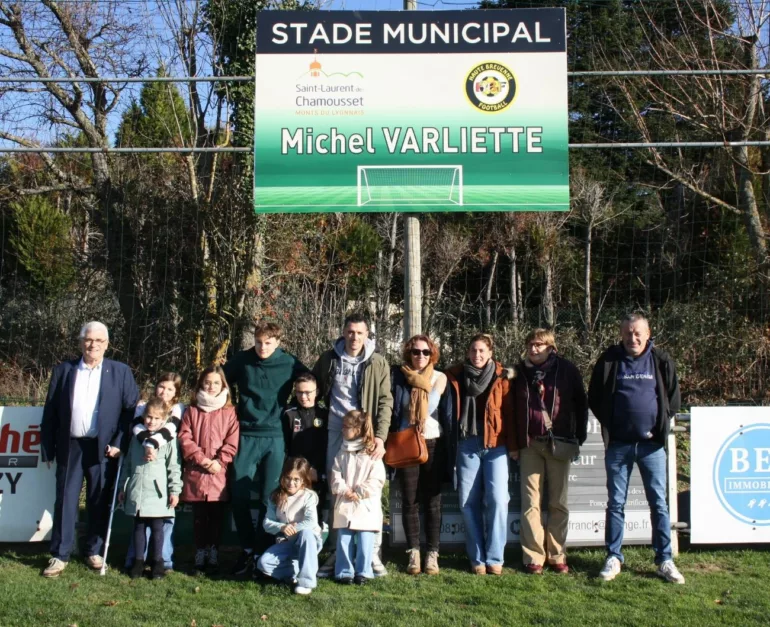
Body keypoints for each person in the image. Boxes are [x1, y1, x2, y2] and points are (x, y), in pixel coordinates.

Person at [588, 313, 685, 584]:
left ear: (648, 333)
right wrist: (613, 423)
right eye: (628, 333)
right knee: (616, 504)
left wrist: (659, 423)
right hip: (618, 445)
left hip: (652, 446)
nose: (633, 338)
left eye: (638, 333)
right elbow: (594, 397)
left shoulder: (661, 360)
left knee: (659, 504)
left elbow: (674, 399)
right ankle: (614, 557)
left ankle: (664, 559)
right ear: (621, 334)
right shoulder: (609, 361)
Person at [41, 321, 139, 578]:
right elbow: (50, 411)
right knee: (65, 499)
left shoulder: (120, 372)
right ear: (81, 342)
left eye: (99, 340)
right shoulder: (64, 370)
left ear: (107, 344)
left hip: (104, 449)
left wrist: (119, 443)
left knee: (99, 500)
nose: (93, 344)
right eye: (88, 339)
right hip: (70, 445)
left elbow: (130, 413)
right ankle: (60, 554)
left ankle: (94, 550)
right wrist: (47, 448)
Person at [222, 321, 308, 576]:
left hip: (275, 436)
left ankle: (261, 552)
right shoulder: (242, 360)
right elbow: (218, 381)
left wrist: (294, 409)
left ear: (278, 342)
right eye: (258, 342)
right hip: (245, 434)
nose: (262, 347)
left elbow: (311, 382)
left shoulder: (289, 362)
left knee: (268, 498)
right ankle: (247, 548)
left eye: (268, 343)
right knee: (237, 492)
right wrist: (229, 406)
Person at [312, 312, 393, 578]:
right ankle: (338, 551)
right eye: (350, 332)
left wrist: (379, 436)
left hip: (366, 431)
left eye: (360, 332)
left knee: (370, 491)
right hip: (337, 429)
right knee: (338, 491)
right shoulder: (329, 359)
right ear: (343, 332)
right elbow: (315, 387)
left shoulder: (378, 362)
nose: (354, 337)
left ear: (368, 334)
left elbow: (385, 402)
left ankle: (372, 553)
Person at [511, 329, 588, 575]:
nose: (534, 349)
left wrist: (579, 436)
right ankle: (534, 556)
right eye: (531, 344)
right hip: (529, 444)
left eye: (540, 345)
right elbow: (509, 408)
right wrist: (514, 443)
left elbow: (581, 403)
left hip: (559, 442)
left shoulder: (567, 370)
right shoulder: (519, 372)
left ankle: (557, 554)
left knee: (558, 502)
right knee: (530, 503)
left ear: (551, 347)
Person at [445, 333, 514, 576]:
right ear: (467, 352)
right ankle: (477, 558)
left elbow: (509, 413)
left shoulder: (502, 376)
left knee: (497, 499)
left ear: (490, 353)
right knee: (467, 502)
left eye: (482, 351)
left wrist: (513, 445)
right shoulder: (455, 375)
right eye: (473, 350)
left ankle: (495, 557)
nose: (477, 355)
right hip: (467, 444)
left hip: (495, 446)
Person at [389, 334, 452, 575]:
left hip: (433, 442)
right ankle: (413, 553)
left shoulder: (440, 377)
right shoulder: (399, 377)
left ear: (432, 354)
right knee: (410, 500)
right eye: (416, 351)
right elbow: (396, 408)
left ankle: (432, 554)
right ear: (409, 353)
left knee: (433, 501)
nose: (421, 356)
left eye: (426, 352)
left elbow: (432, 406)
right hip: (407, 443)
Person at [178, 366, 239, 574]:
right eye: (207, 382)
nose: (211, 387)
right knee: (199, 516)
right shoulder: (192, 410)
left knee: (216, 516)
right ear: (200, 384)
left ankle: (213, 551)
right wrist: (202, 460)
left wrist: (219, 462)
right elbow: (185, 438)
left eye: (216, 383)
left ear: (223, 385)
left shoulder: (229, 412)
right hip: (197, 471)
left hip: (218, 474)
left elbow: (232, 441)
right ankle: (200, 551)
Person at [124, 372, 185, 573]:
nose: (164, 391)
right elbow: (135, 428)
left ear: (176, 392)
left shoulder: (176, 409)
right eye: (161, 386)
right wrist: (147, 443)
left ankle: (162, 560)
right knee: (139, 525)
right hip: (139, 484)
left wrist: (152, 446)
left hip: (159, 487)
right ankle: (136, 560)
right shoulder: (142, 407)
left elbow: (169, 432)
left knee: (162, 525)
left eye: (170, 389)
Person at [330, 410, 386, 585]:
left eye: (346, 427)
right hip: (346, 502)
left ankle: (363, 571)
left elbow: (377, 479)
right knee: (344, 538)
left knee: (365, 540)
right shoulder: (342, 451)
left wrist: (360, 492)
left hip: (366, 505)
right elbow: (335, 474)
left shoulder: (372, 453)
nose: (342, 430)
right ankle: (344, 571)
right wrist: (344, 489)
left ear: (358, 429)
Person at [256, 457, 323, 595]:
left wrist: (294, 528)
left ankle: (306, 582)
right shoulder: (275, 496)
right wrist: (282, 527)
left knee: (306, 533)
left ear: (303, 480)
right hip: (287, 542)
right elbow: (267, 523)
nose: (291, 483)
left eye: (296, 479)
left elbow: (311, 522)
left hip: (308, 542)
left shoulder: (309, 496)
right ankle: (297, 571)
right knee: (263, 563)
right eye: (288, 478)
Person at [282, 373, 328, 522]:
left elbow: (326, 446)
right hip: (294, 475)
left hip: (316, 474)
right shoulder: (289, 414)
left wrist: (316, 470)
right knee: (293, 515)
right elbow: (284, 445)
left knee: (314, 514)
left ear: (317, 392)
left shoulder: (325, 414)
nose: (303, 396)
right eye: (300, 392)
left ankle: (315, 543)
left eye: (308, 392)